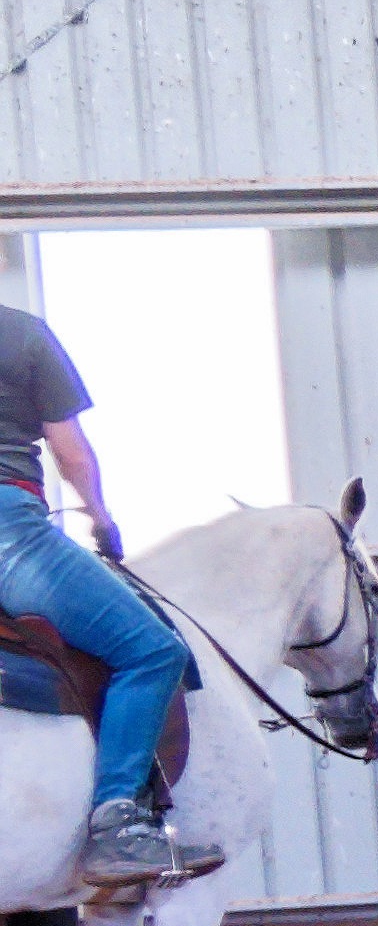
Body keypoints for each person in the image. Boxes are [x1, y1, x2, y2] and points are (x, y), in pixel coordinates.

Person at [0, 286, 207, 891]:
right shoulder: (23, 334)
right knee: (153, 650)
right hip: (9, 531)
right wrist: (100, 517)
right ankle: (116, 823)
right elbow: (69, 450)